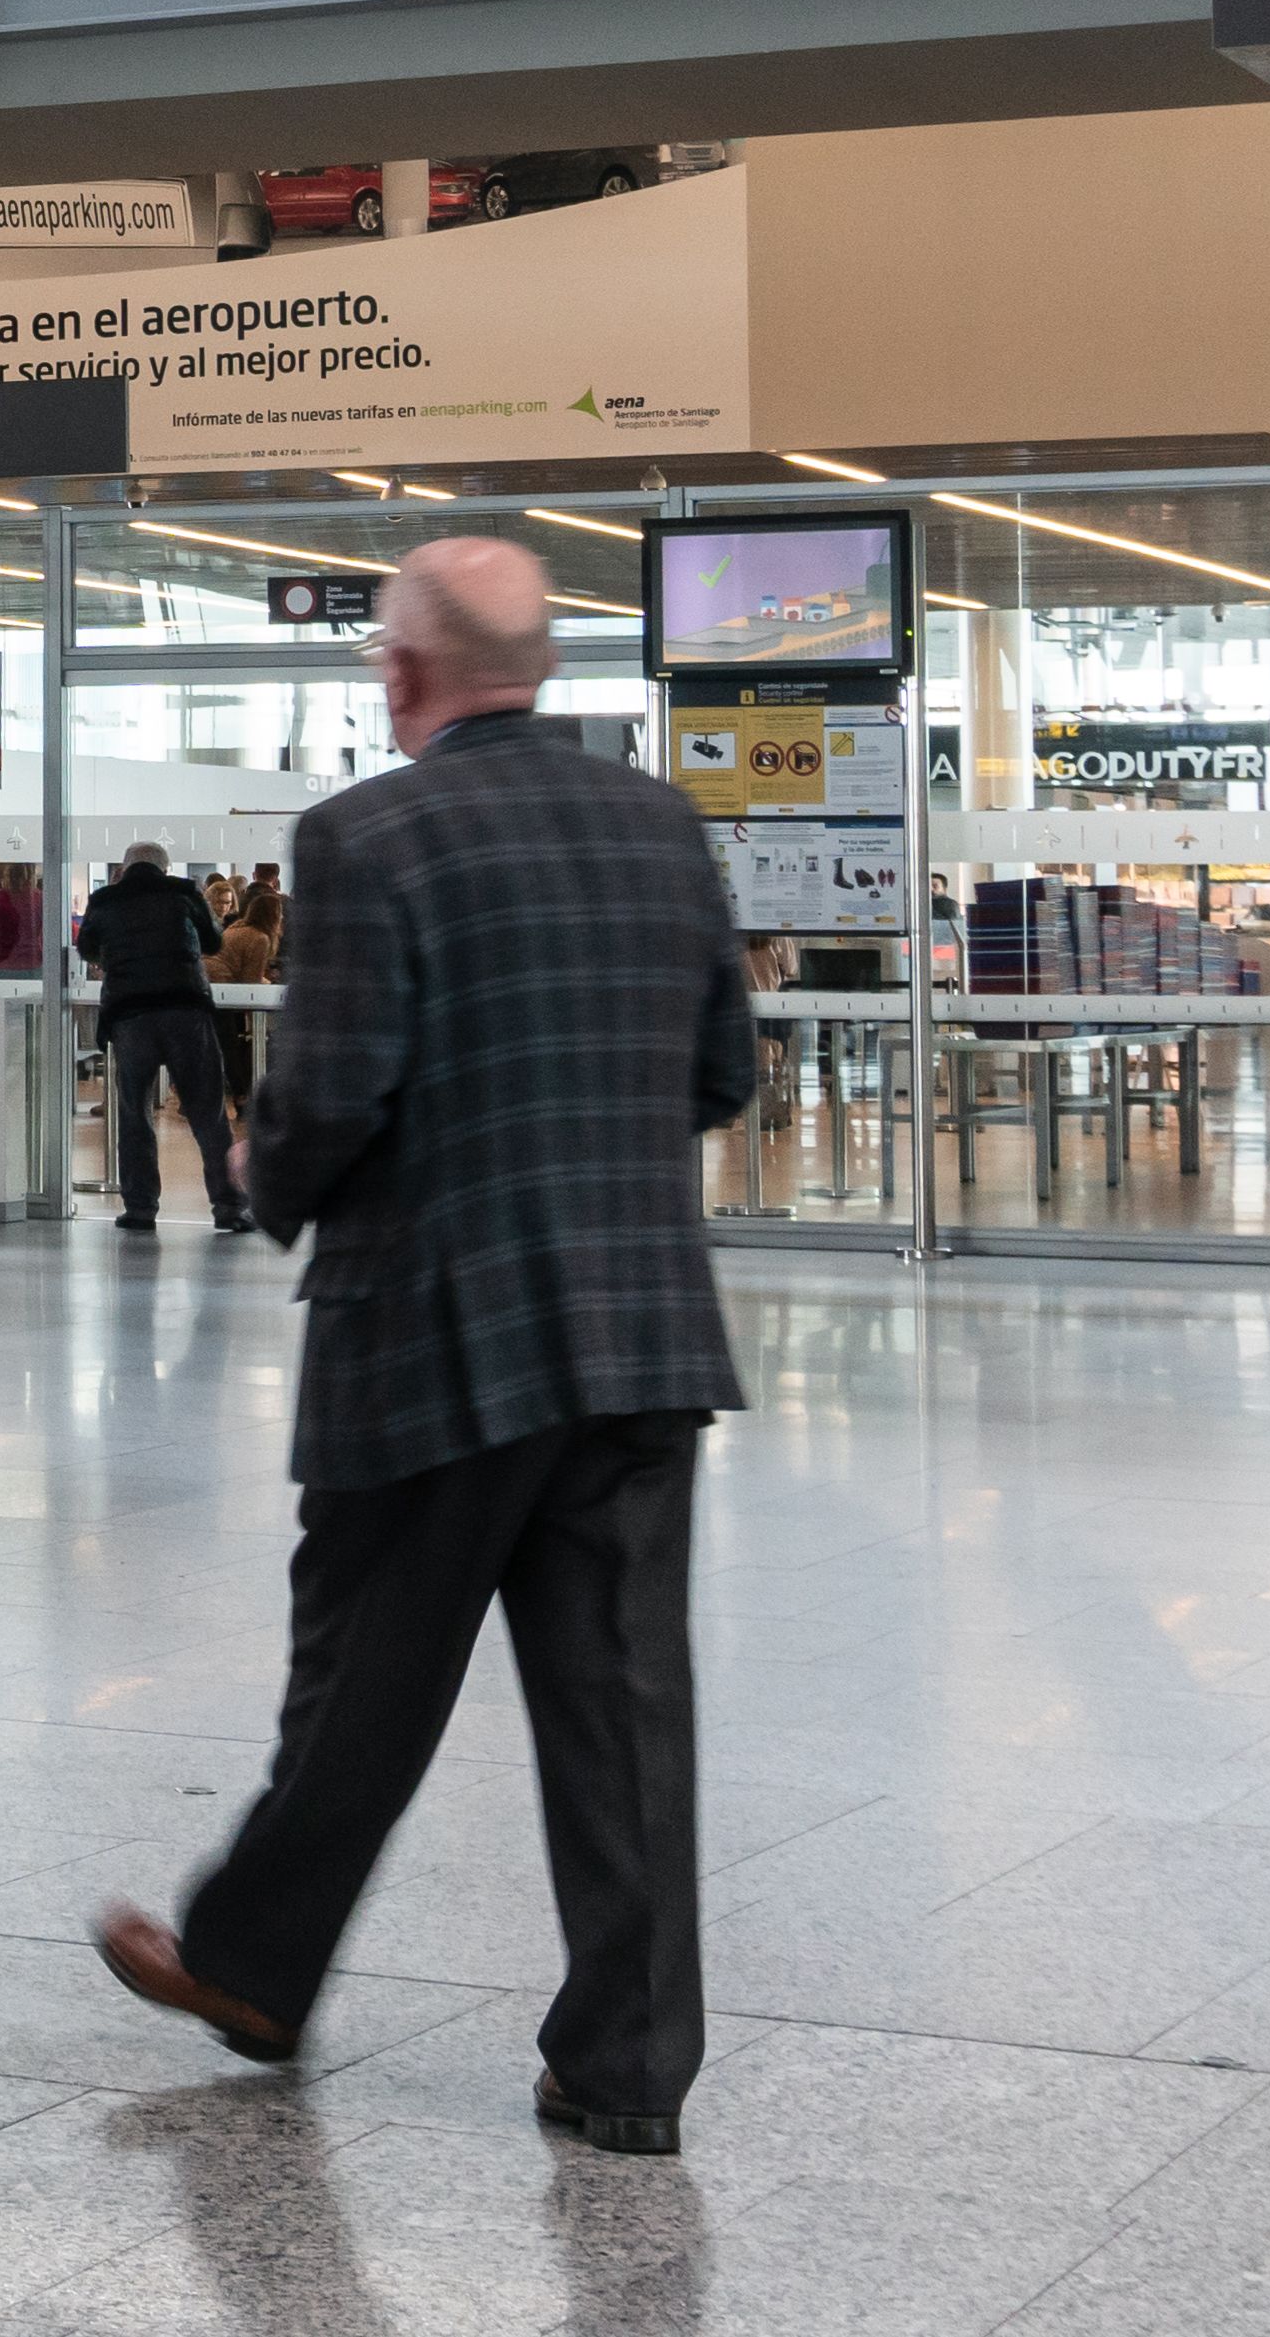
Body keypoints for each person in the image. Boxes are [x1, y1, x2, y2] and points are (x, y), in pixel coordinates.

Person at [95, 539, 757, 2160]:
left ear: (397, 670)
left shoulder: (367, 832)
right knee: (621, 1704)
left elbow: (328, 1093)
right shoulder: (658, 822)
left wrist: (256, 1178)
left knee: (363, 1687)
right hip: (634, 1334)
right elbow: (721, 1070)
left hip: (430, 1333)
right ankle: (625, 2064)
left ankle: (248, 1966)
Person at [79, 840, 245, 1236]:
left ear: (124, 867)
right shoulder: (184, 893)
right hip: (184, 1009)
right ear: (164, 868)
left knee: (134, 1113)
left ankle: (140, 1208)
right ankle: (228, 1207)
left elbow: (86, 947)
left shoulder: (104, 899)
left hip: (130, 1014)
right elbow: (214, 941)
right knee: (208, 1112)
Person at [216, 876, 284, 1114]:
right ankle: (243, 1096)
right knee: (231, 1045)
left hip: (211, 985)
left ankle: (240, 1095)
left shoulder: (238, 927)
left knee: (225, 1042)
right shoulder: (260, 938)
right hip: (223, 989)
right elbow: (251, 983)